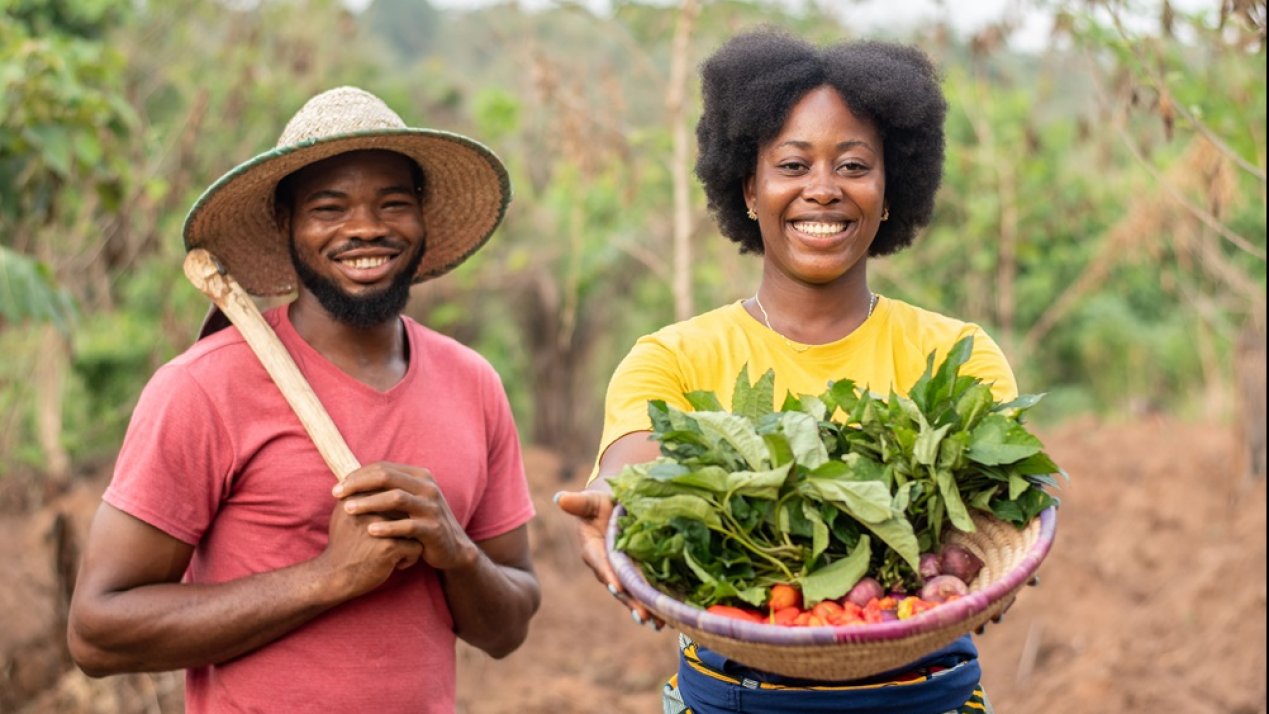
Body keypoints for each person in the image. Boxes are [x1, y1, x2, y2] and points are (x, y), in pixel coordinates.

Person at [556, 28, 1022, 713]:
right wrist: (612, 500)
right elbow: (633, 461)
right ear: (748, 188)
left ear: (891, 190)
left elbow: (1003, 510)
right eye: (793, 165)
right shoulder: (675, 356)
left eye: (854, 166)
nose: (823, 190)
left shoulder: (954, 355)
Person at [67, 86, 540, 713]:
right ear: (285, 224)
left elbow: (506, 629)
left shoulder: (472, 381)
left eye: (393, 203)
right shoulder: (204, 387)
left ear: (423, 217)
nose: (366, 228)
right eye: (329, 207)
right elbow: (97, 633)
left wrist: (456, 552)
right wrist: (328, 577)